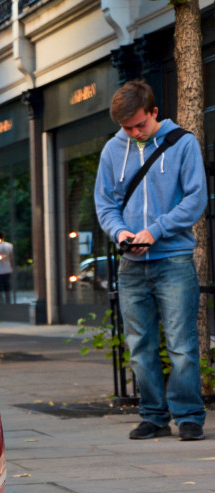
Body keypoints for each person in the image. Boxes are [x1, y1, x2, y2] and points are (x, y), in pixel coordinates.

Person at [93, 79, 206, 441]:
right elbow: (106, 204)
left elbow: (195, 199)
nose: (135, 132)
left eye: (140, 124)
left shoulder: (183, 144)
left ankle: (189, 416)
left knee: (182, 344)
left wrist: (155, 231)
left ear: (154, 112)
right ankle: (153, 417)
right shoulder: (113, 150)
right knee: (139, 346)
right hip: (132, 265)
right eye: (127, 127)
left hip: (173, 259)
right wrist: (122, 234)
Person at [0, 237, 14, 302]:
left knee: (0, 287)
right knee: (7, 287)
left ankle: (2, 300)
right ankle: (8, 300)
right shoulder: (9, 246)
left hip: (0, 270)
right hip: (7, 269)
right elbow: (11, 258)